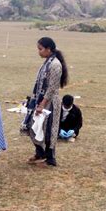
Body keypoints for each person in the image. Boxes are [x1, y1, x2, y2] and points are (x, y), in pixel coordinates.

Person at [25, 37, 68, 167]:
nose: (39, 52)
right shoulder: (47, 62)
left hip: (50, 103)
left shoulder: (55, 64)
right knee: (32, 126)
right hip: (40, 100)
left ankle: (50, 158)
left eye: (40, 49)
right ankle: (40, 152)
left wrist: (42, 104)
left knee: (49, 129)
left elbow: (52, 88)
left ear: (48, 49)